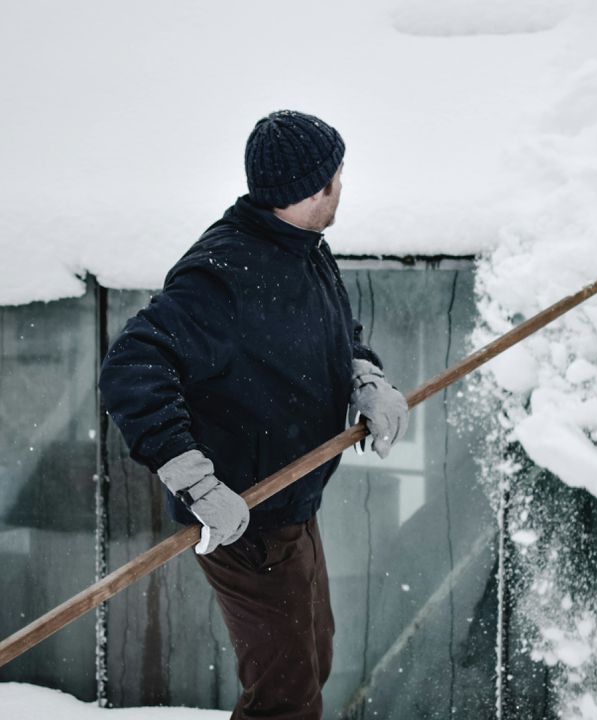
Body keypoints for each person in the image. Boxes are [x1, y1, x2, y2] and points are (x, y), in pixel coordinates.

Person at [99, 110, 409, 719]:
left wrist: (364, 376)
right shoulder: (221, 274)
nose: (341, 187)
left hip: (292, 505)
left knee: (311, 661)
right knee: (285, 700)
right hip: (243, 522)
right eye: (335, 178)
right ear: (308, 190)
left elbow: (334, 333)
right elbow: (132, 366)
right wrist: (193, 480)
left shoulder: (304, 248)